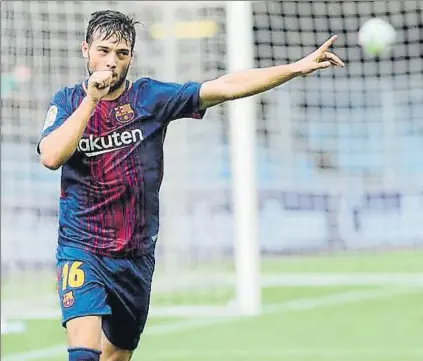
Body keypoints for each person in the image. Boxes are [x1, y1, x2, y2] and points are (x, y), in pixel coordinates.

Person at [37, 9, 345, 361]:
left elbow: (226, 87)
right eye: (103, 51)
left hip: (135, 256)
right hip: (83, 247)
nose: (111, 62)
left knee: (117, 354)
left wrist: (294, 68)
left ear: (132, 58)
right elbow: (51, 156)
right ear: (85, 50)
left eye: (121, 54)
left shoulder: (150, 98)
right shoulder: (66, 103)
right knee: (84, 353)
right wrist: (92, 99)